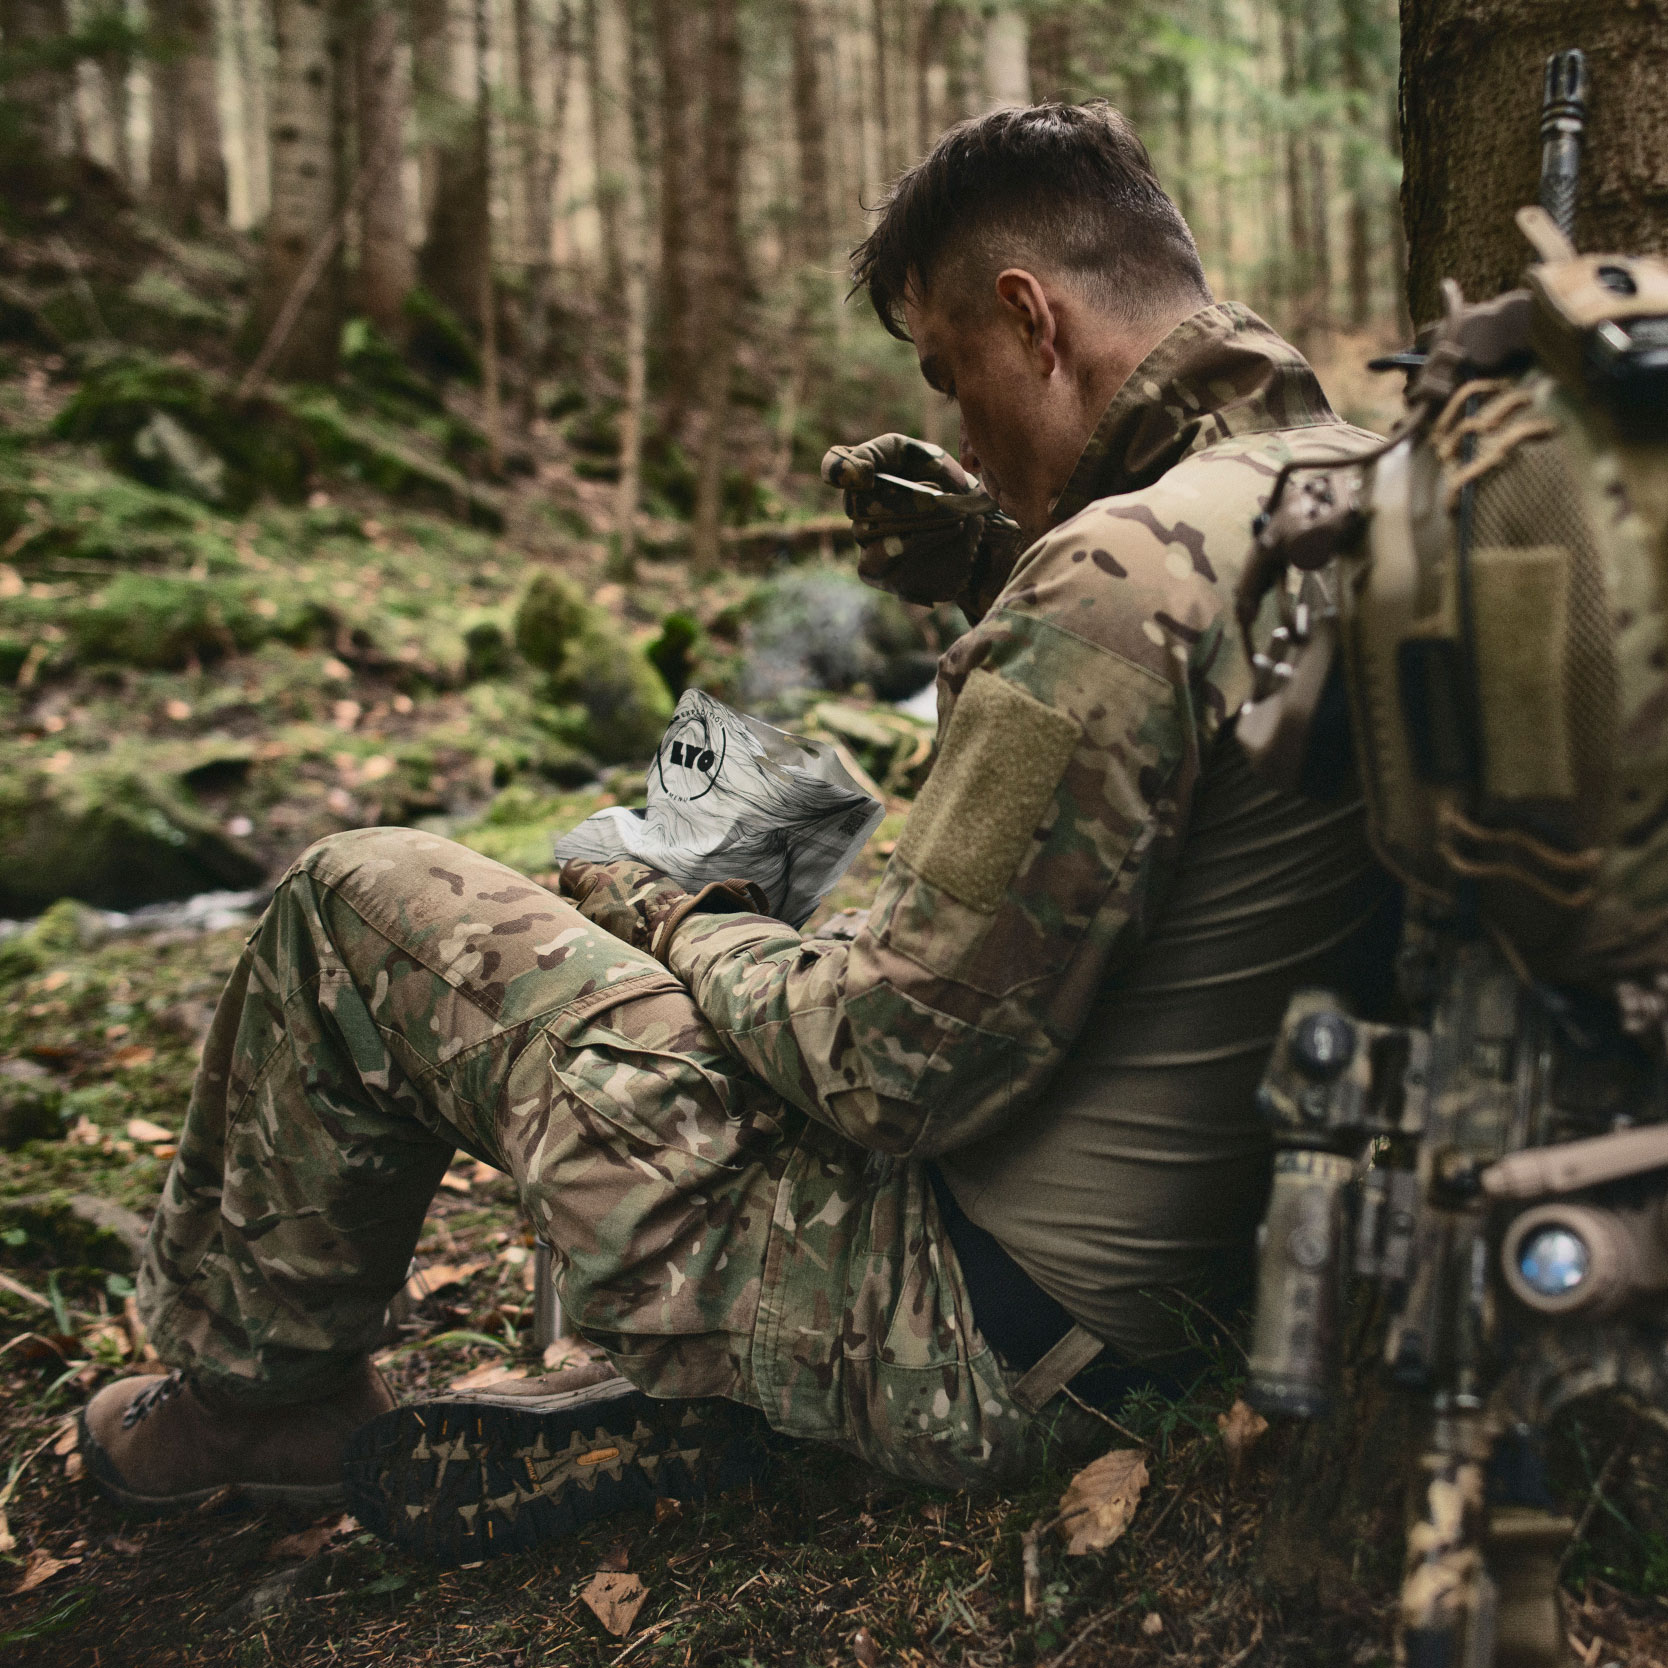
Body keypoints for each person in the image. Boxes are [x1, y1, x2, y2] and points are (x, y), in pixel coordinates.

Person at [79, 102, 1395, 1557]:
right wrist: (988, 564)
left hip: (971, 1339)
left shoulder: (1116, 578)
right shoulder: (1347, 486)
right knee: (768, 809)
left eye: (955, 381)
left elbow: (893, 1068)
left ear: (1032, 318)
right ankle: (652, 1383)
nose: (962, 436)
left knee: (356, 894)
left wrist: (675, 910)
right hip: (1207, 1286)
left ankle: (256, 1405)